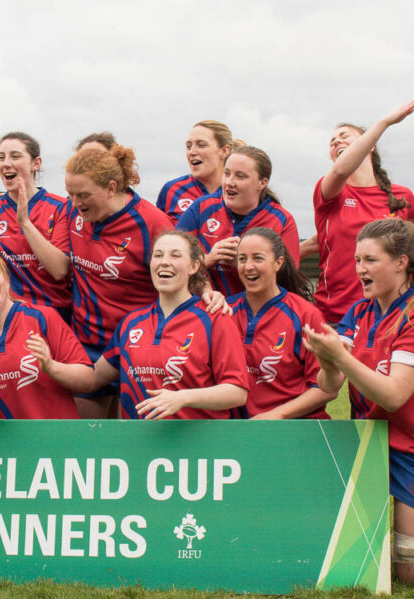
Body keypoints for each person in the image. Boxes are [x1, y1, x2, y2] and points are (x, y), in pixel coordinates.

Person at [303, 219, 414, 587]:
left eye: (370, 260)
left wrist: (340, 358)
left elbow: (393, 394)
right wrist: (328, 361)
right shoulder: (359, 312)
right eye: (357, 260)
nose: (360, 269)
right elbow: (330, 385)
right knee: (351, 562)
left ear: (401, 262)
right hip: (368, 446)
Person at [55, 143, 175, 418]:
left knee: (138, 440)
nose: (75, 202)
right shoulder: (74, 212)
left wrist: (207, 291)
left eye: (83, 194)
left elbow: (187, 276)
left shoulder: (151, 222)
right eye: (70, 194)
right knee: (87, 441)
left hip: (138, 348)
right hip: (88, 343)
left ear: (111, 188)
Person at [93, 230, 248, 419]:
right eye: (158, 255)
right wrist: (51, 365)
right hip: (138, 445)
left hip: (198, 445)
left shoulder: (215, 318)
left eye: (175, 255)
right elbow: (94, 377)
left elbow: (237, 392)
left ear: (194, 266)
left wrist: (183, 398)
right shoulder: (131, 323)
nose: (164, 261)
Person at [304, 99, 414, 322]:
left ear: (370, 144)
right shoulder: (330, 191)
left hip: (391, 315)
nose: (337, 140)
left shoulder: (402, 196)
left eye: (345, 136)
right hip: (335, 317)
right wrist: (385, 122)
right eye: (332, 141)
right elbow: (339, 172)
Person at [0, 251, 93, 419]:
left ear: (7, 281)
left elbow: (88, 380)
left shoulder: (43, 317)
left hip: (56, 440)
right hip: (3, 444)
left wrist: (51, 367)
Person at [229, 228, 332, 419]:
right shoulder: (224, 312)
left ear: (278, 263)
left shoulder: (305, 316)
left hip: (293, 432)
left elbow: (326, 388)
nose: (248, 266)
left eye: (257, 258)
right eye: (242, 259)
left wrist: (276, 416)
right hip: (238, 434)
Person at [0, 132, 72, 317]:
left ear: (36, 163)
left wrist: (25, 222)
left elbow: (59, 271)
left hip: (53, 315)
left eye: (15, 156)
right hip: (8, 316)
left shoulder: (60, 208)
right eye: (1, 157)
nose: (6, 163)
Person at [177, 146, 299, 296]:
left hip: (257, 313)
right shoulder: (201, 208)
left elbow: (289, 284)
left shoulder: (281, 220)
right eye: (226, 174)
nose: (229, 182)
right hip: (206, 311)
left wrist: (244, 262)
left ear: (262, 183)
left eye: (240, 176)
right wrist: (208, 259)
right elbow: (174, 263)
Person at [156, 121, 236, 222]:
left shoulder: (237, 191)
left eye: (201, 145)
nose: (192, 152)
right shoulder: (172, 189)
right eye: (188, 147)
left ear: (224, 151)